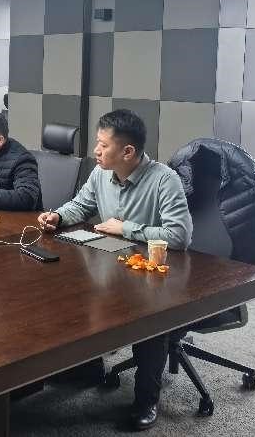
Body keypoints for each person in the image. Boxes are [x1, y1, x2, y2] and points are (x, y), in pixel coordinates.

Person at [38, 109, 192, 431]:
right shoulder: (100, 173)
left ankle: (147, 400)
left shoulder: (164, 180)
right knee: (66, 293)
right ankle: (86, 367)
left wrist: (126, 228)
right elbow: (81, 205)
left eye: (103, 145)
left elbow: (179, 236)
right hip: (110, 265)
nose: (96, 150)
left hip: (152, 276)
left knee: (150, 320)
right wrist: (58, 216)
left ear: (128, 151)